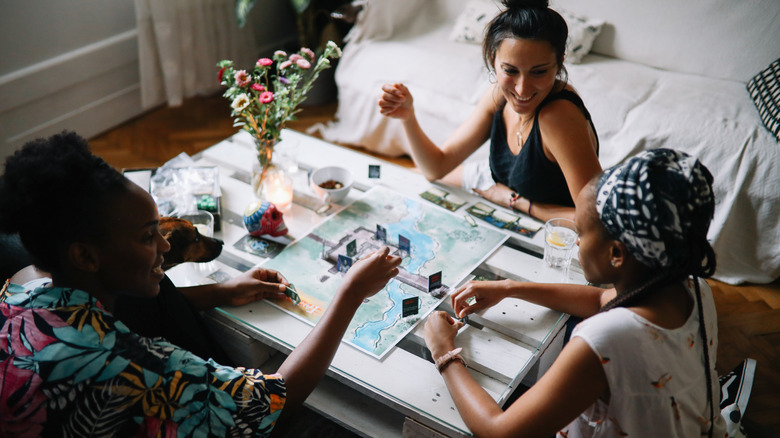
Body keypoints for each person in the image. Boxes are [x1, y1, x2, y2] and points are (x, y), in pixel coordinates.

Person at [0, 131, 402, 436]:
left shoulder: (19, 287)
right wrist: (349, 293)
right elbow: (275, 400)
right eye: (146, 237)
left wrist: (222, 291)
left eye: (158, 229)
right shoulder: (130, 368)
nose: (162, 245)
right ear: (85, 256)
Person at [423, 148, 727, 437]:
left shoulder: (605, 340)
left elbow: (498, 430)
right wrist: (509, 288)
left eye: (580, 232)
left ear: (617, 253)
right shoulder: (691, 288)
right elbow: (599, 299)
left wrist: (444, 353)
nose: (577, 243)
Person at [378, 0, 601, 222]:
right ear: (494, 59)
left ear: (560, 61)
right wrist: (408, 117)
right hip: (492, 181)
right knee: (404, 181)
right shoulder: (497, 95)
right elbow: (435, 167)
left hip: (549, 220)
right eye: (510, 70)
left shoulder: (558, 116)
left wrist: (516, 202)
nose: (522, 89)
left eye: (539, 72)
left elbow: (595, 218)